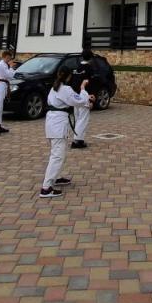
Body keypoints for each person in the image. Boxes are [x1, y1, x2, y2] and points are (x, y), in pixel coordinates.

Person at [40, 68, 91, 198]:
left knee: (56, 153)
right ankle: (46, 188)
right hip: (58, 124)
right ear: (68, 77)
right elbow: (78, 101)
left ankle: (54, 178)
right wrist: (84, 89)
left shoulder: (55, 87)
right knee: (57, 156)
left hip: (52, 121)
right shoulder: (65, 89)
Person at [69, 48, 99, 149]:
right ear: (90, 58)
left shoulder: (77, 68)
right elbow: (90, 85)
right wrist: (90, 99)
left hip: (75, 96)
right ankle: (78, 141)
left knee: (77, 118)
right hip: (84, 95)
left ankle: (76, 139)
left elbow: (73, 83)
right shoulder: (89, 69)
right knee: (83, 119)